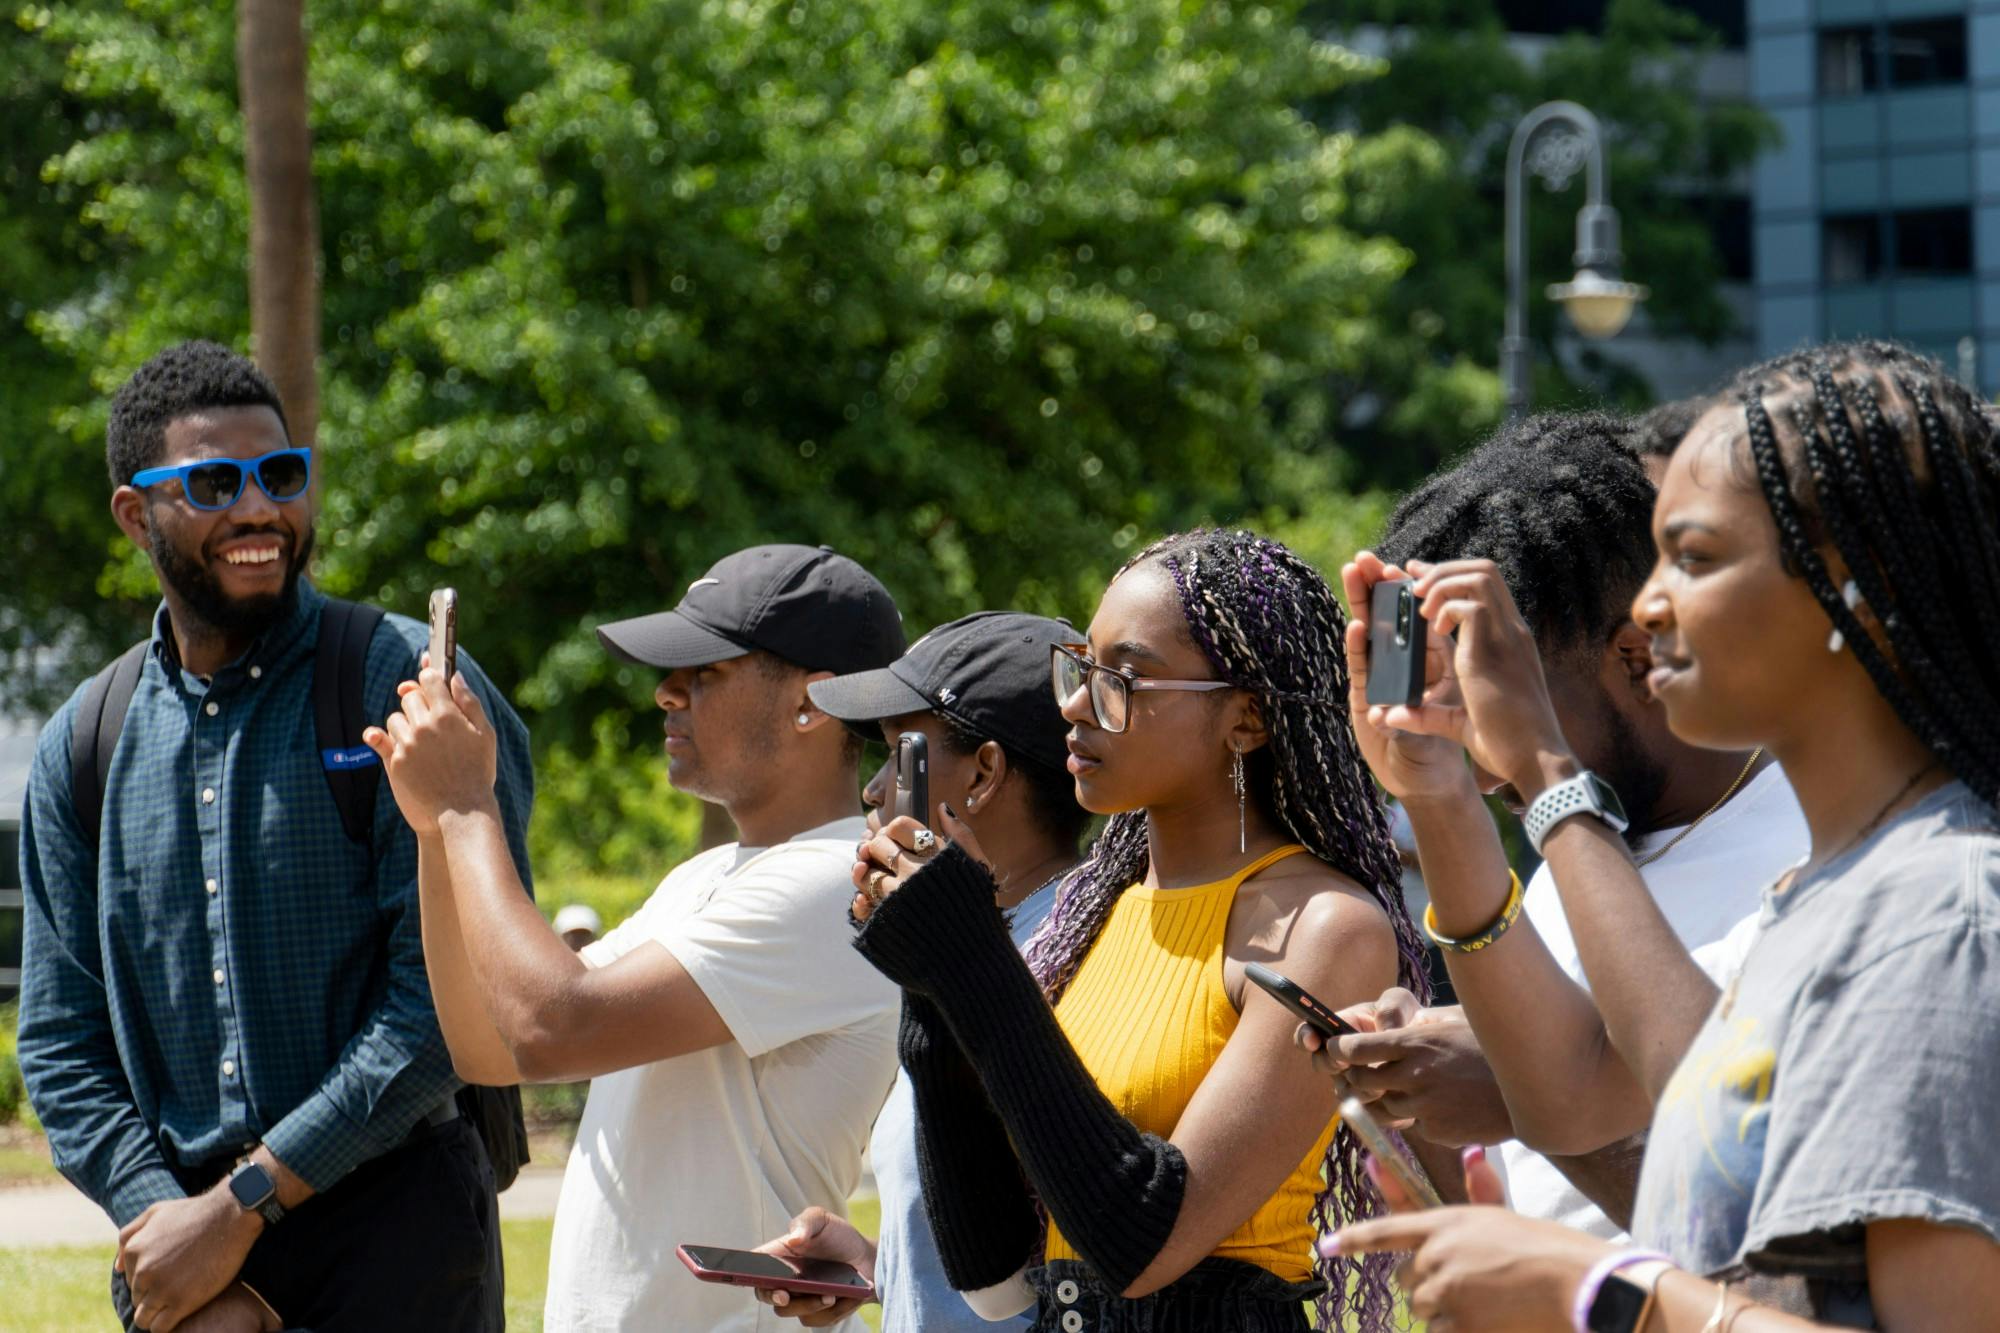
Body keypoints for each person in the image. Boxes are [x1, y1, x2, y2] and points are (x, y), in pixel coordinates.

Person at [1330, 341, 2000, 1330]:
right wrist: (1440, 790)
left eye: (1692, 558)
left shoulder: (1941, 916)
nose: (1648, 609)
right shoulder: (1830, 890)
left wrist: (1602, 1292)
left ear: (1850, 585)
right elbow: (1574, 1094)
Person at [16, 340, 535, 1333]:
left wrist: (241, 1206)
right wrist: (170, 1228)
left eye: (282, 475)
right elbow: (60, 1042)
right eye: (215, 483)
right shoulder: (84, 744)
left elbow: (449, 1005)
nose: (260, 508)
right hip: (182, 1248)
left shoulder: (409, 690)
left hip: (401, 1237)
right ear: (134, 514)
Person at [844, 528, 1441, 1331]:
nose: (1074, 703)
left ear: (1246, 718)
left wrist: (973, 956)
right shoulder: (1093, 911)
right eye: (1079, 667)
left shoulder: (1325, 928)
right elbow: (994, 1280)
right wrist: (930, 981)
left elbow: (1143, 1243)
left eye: (1122, 678)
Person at [363, 542, 907, 1332]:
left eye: (704, 671)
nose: (665, 692)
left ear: (811, 703)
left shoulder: (836, 881)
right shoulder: (707, 875)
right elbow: (489, 1049)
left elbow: (551, 1027)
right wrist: (432, 828)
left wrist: (468, 806)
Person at [1309, 412, 1808, 1237]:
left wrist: (1511, 1091)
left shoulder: (1810, 857)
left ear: (1637, 657)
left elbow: (1751, 1235)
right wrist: (1417, 1094)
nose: (1486, 763)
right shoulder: (1572, 858)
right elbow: (1535, 1206)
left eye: (1505, 703)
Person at [749, 610, 1091, 1330]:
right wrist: (885, 1269)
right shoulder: (982, 944)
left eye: (899, 756)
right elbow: (1004, 1226)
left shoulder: (1063, 958)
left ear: (984, 773)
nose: (873, 790)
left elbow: (1086, 1246)